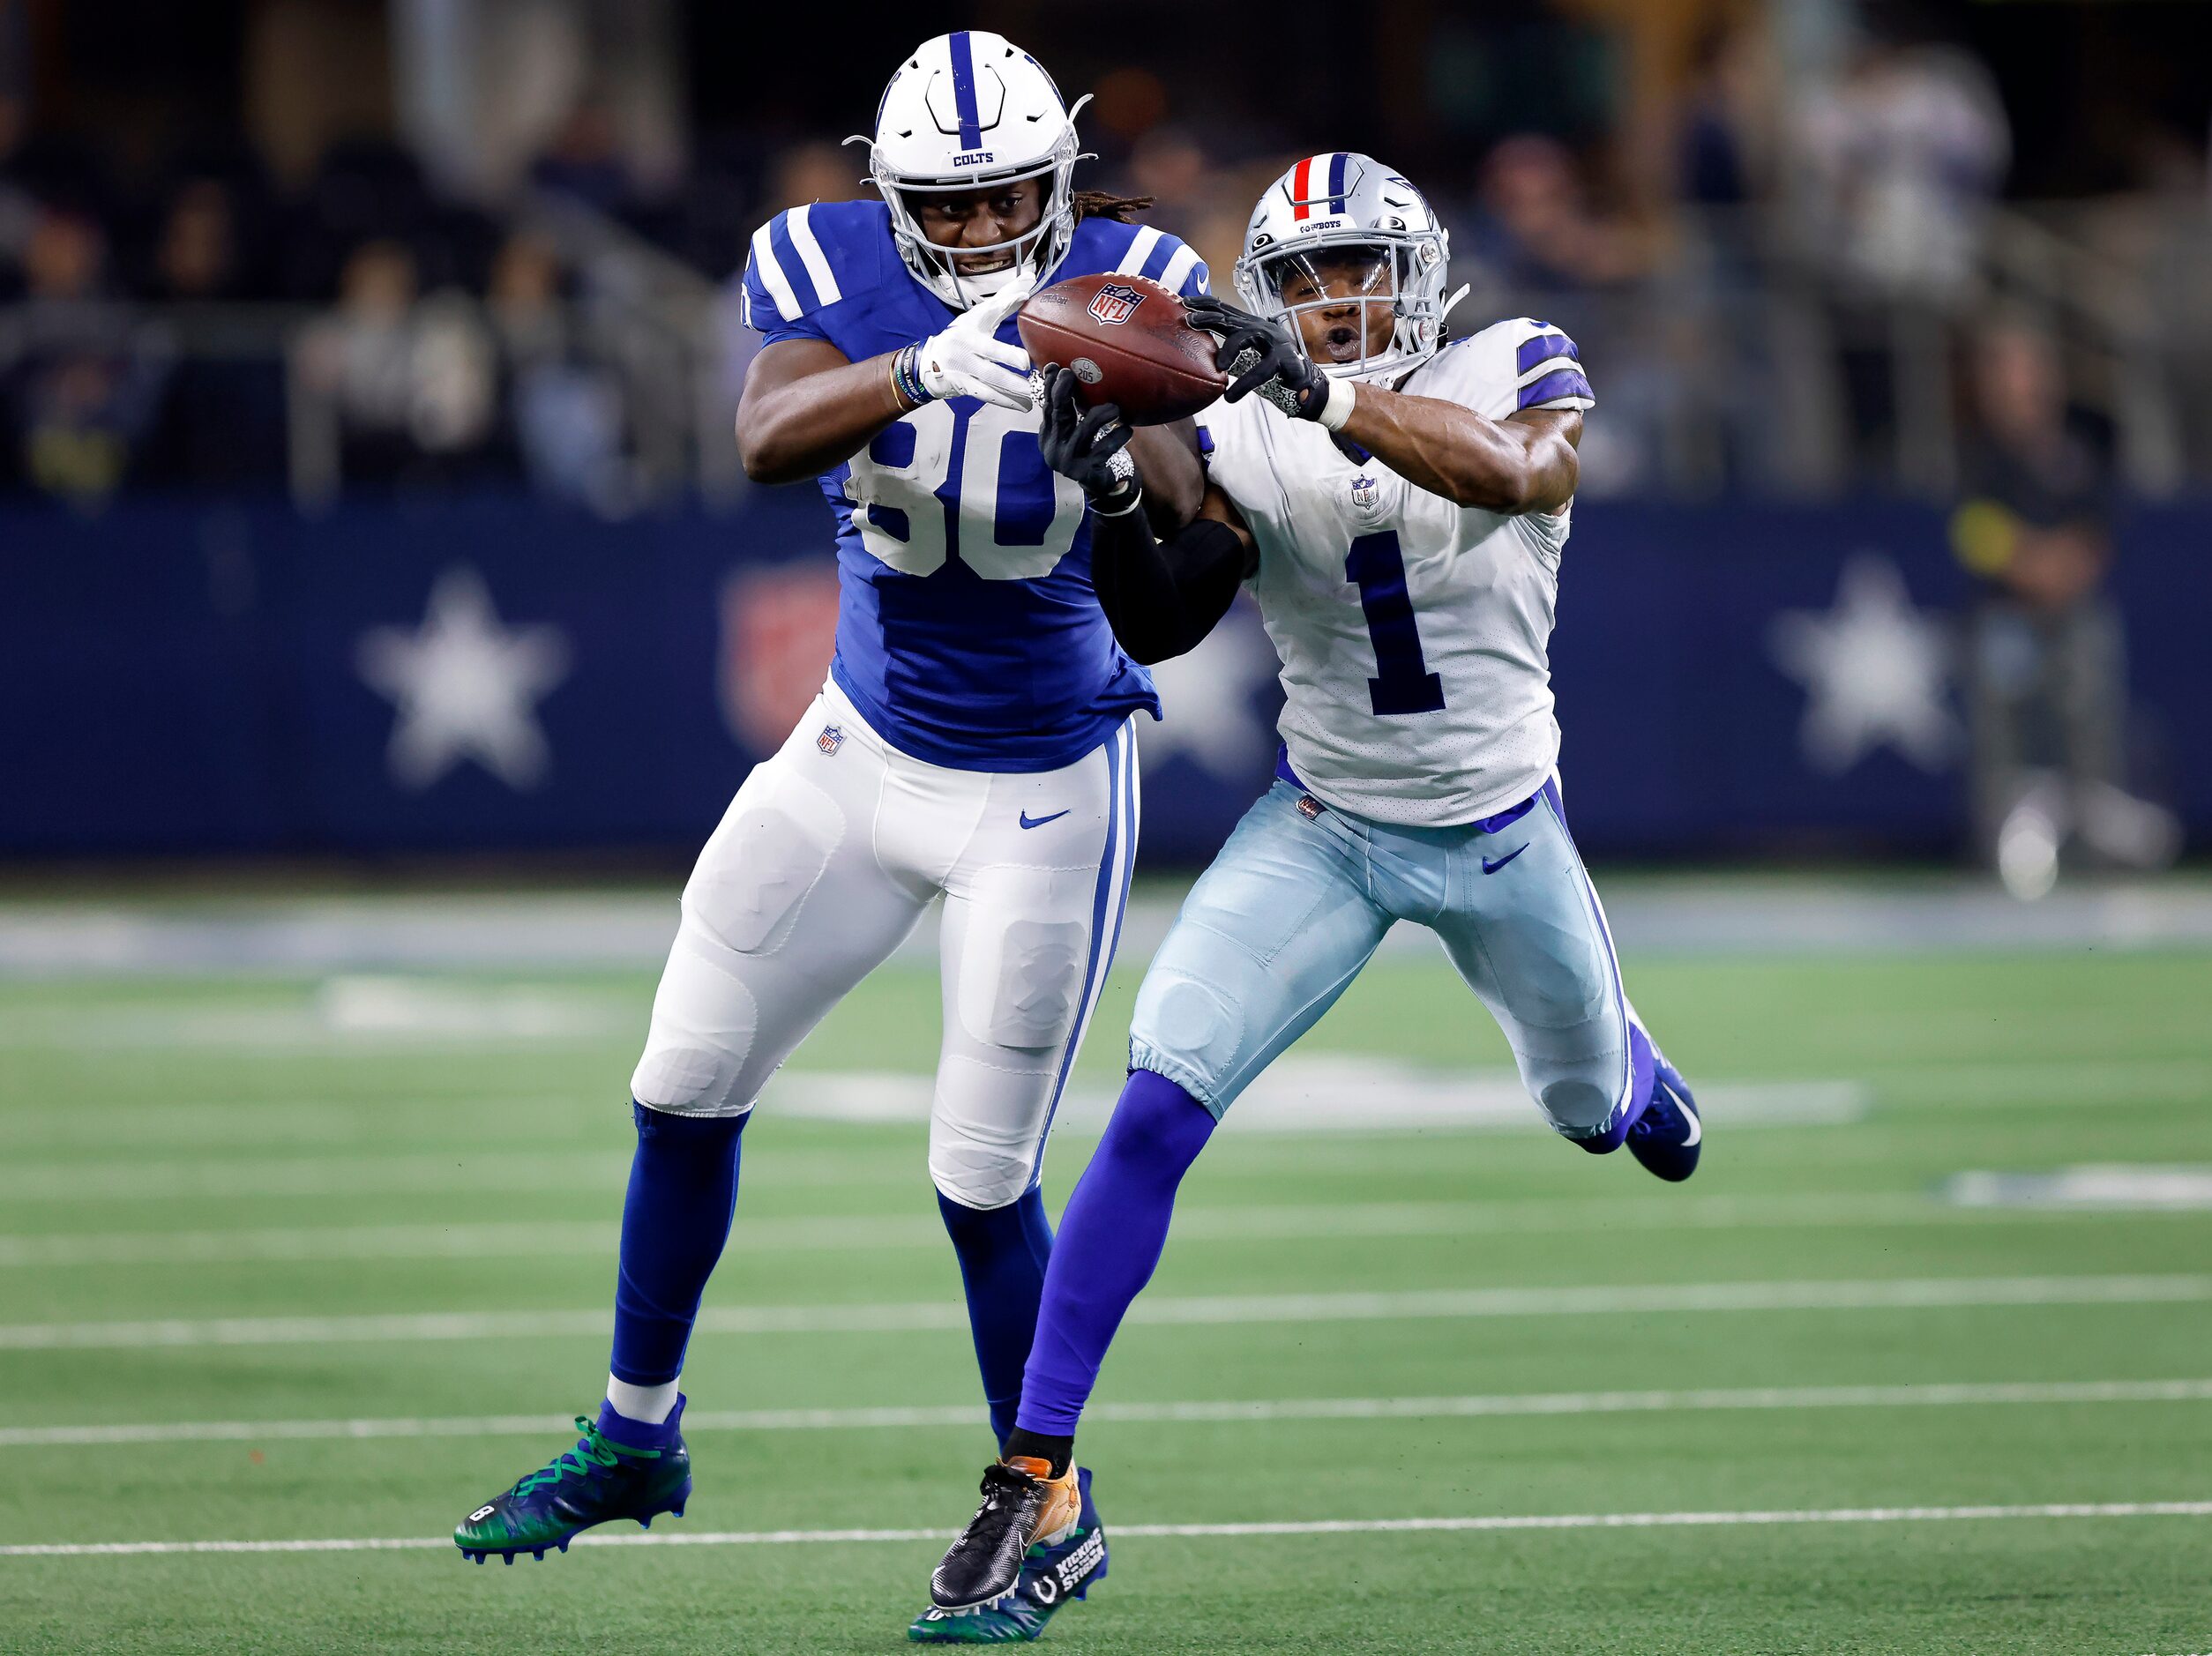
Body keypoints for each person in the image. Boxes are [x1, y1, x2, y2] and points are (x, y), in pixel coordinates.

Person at [452, 31, 1208, 1646]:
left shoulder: (1135, 274)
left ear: (1063, 174)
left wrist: (1125, 441)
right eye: (951, 200)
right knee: (677, 1082)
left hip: (1041, 785)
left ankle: (1048, 1501)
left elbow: (1187, 544)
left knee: (975, 1173)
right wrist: (929, 368)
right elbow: (763, 432)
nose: (989, 225)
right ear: (887, 197)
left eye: (1014, 193)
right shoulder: (824, 260)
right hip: (855, 748)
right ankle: (634, 1434)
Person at [922, 153, 1701, 1619]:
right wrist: (1105, 483)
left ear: (1415, 268)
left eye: (1357, 268)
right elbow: (1164, 615)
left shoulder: (1509, 362)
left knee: (1592, 1111)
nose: (1335, 302)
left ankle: (1629, 1074)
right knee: (1155, 1092)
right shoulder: (1234, 420)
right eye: (1305, 278)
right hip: (1326, 821)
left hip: (1497, 830)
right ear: (1268, 294)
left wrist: (1321, 399)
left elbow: (1510, 470)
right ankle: (1035, 1474)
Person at [1951, 318, 2178, 891]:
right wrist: (2033, 563)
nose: (2016, 386)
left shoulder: (2077, 450)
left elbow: (2097, 531)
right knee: (2010, 735)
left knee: (2089, 717)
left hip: (2073, 615)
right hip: (2007, 619)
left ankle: (2094, 840)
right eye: (2003, 374)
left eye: (2027, 372)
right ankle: (2012, 846)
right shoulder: (1979, 458)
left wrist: (2063, 567)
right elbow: (1976, 534)